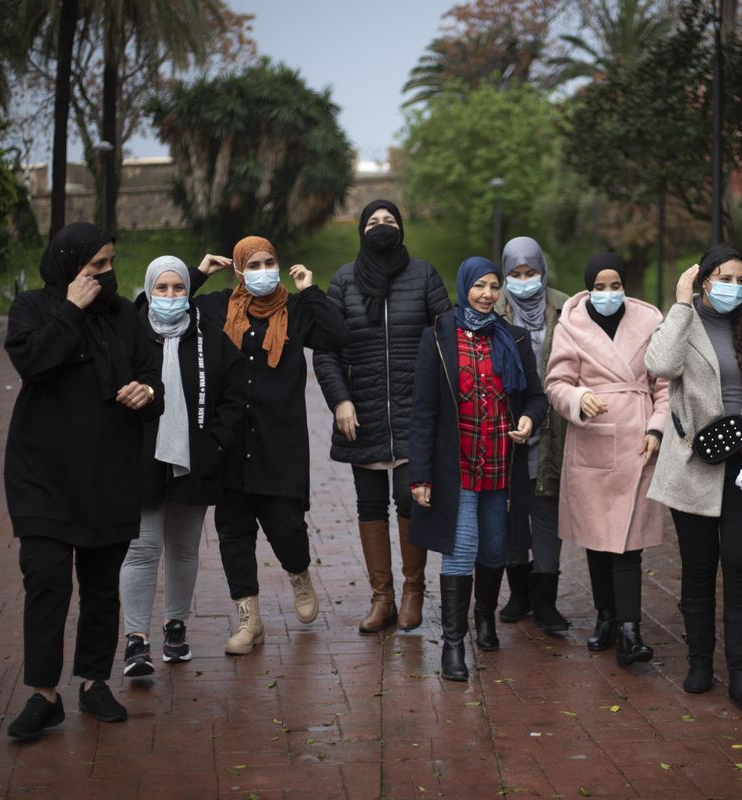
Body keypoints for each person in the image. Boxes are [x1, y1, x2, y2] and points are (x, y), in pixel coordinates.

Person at [3, 222, 163, 739]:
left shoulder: (124, 315)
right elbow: (31, 362)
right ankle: (43, 695)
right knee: (46, 579)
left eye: (111, 262)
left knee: (100, 584)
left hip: (109, 470)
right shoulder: (32, 307)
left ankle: (94, 683)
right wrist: (71, 310)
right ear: (70, 265)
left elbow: (152, 376)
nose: (106, 274)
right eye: (96, 265)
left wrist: (147, 393)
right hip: (41, 473)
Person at [645, 244, 742, 707]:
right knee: (698, 565)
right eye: (725, 278)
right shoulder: (683, 319)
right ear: (704, 279)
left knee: (740, 562)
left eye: (741, 280)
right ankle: (699, 663)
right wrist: (680, 303)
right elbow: (660, 365)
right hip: (693, 460)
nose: (734, 287)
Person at [191, 236, 348, 655]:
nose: (262, 271)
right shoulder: (219, 307)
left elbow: (336, 336)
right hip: (230, 441)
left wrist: (310, 292)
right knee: (233, 533)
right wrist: (197, 275)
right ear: (239, 270)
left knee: (287, 527)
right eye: (253, 265)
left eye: (269, 263)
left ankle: (299, 574)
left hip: (280, 442)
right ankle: (250, 620)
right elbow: (162, 310)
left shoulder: (296, 310)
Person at [314, 200, 451, 634]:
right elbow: (325, 350)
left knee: (410, 499)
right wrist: (340, 400)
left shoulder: (424, 275)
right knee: (370, 503)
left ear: (402, 228)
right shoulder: (344, 280)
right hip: (363, 411)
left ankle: (413, 591)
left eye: (389, 220)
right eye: (373, 221)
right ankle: (382, 598)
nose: (381, 226)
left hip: (416, 411)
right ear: (361, 230)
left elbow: (447, 336)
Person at [408, 257, 548, 681]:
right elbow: (423, 410)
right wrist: (420, 474)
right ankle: (453, 645)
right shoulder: (438, 336)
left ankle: (484, 617)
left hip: (502, 465)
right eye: (479, 286)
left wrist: (529, 419)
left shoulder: (513, 337)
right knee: (461, 547)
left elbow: (535, 397)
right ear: (464, 286)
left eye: (493, 286)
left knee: (495, 548)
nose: (487, 294)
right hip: (457, 466)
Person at [118, 256, 246, 677]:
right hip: (141, 458)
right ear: (148, 289)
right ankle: (136, 640)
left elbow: (233, 394)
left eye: (178, 289)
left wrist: (215, 443)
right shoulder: (129, 334)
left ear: (189, 292)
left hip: (196, 460)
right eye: (162, 288)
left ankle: (176, 626)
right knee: (142, 549)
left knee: (184, 549)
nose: (171, 296)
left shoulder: (210, 335)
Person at [544, 253, 670, 664]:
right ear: (588, 288)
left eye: (615, 285)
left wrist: (657, 428)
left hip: (638, 442)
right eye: (600, 286)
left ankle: (630, 630)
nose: (608, 293)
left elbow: (664, 384)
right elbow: (556, 383)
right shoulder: (571, 323)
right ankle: (606, 617)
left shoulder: (649, 320)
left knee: (628, 542)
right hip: (592, 441)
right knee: (598, 539)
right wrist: (579, 397)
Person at [493, 236, 572, 633]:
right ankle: (518, 594)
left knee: (546, 508)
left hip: (555, 424)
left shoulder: (566, 307)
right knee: (510, 510)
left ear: (543, 270)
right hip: (508, 424)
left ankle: (545, 601)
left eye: (531, 272)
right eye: (516, 273)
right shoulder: (494, 306)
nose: (524, 281)